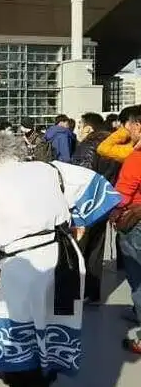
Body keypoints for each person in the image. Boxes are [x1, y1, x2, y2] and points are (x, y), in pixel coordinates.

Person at [0, 133, 121, 387]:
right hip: (65, 258)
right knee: (53, 326)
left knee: (20, 332)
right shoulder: (50, 169)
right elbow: (100, 189)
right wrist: (74, 220)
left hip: (23, 266)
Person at [72, 112, 120, 304]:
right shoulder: (113, 144)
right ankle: (92, 292)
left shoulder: (88, 146)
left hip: (85, 204)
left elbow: (81, 176)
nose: (77, 130)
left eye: (80, 126)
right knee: (97, 249)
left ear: (88, 128)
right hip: (104, 202)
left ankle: (76, 291)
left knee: (77, 249)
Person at [105, 106, 141, 352]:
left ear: (137, 126)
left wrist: (113, 211)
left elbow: (124, 192)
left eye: (128, 125)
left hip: (135, 222)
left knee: (138, 278)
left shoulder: (136, 158)